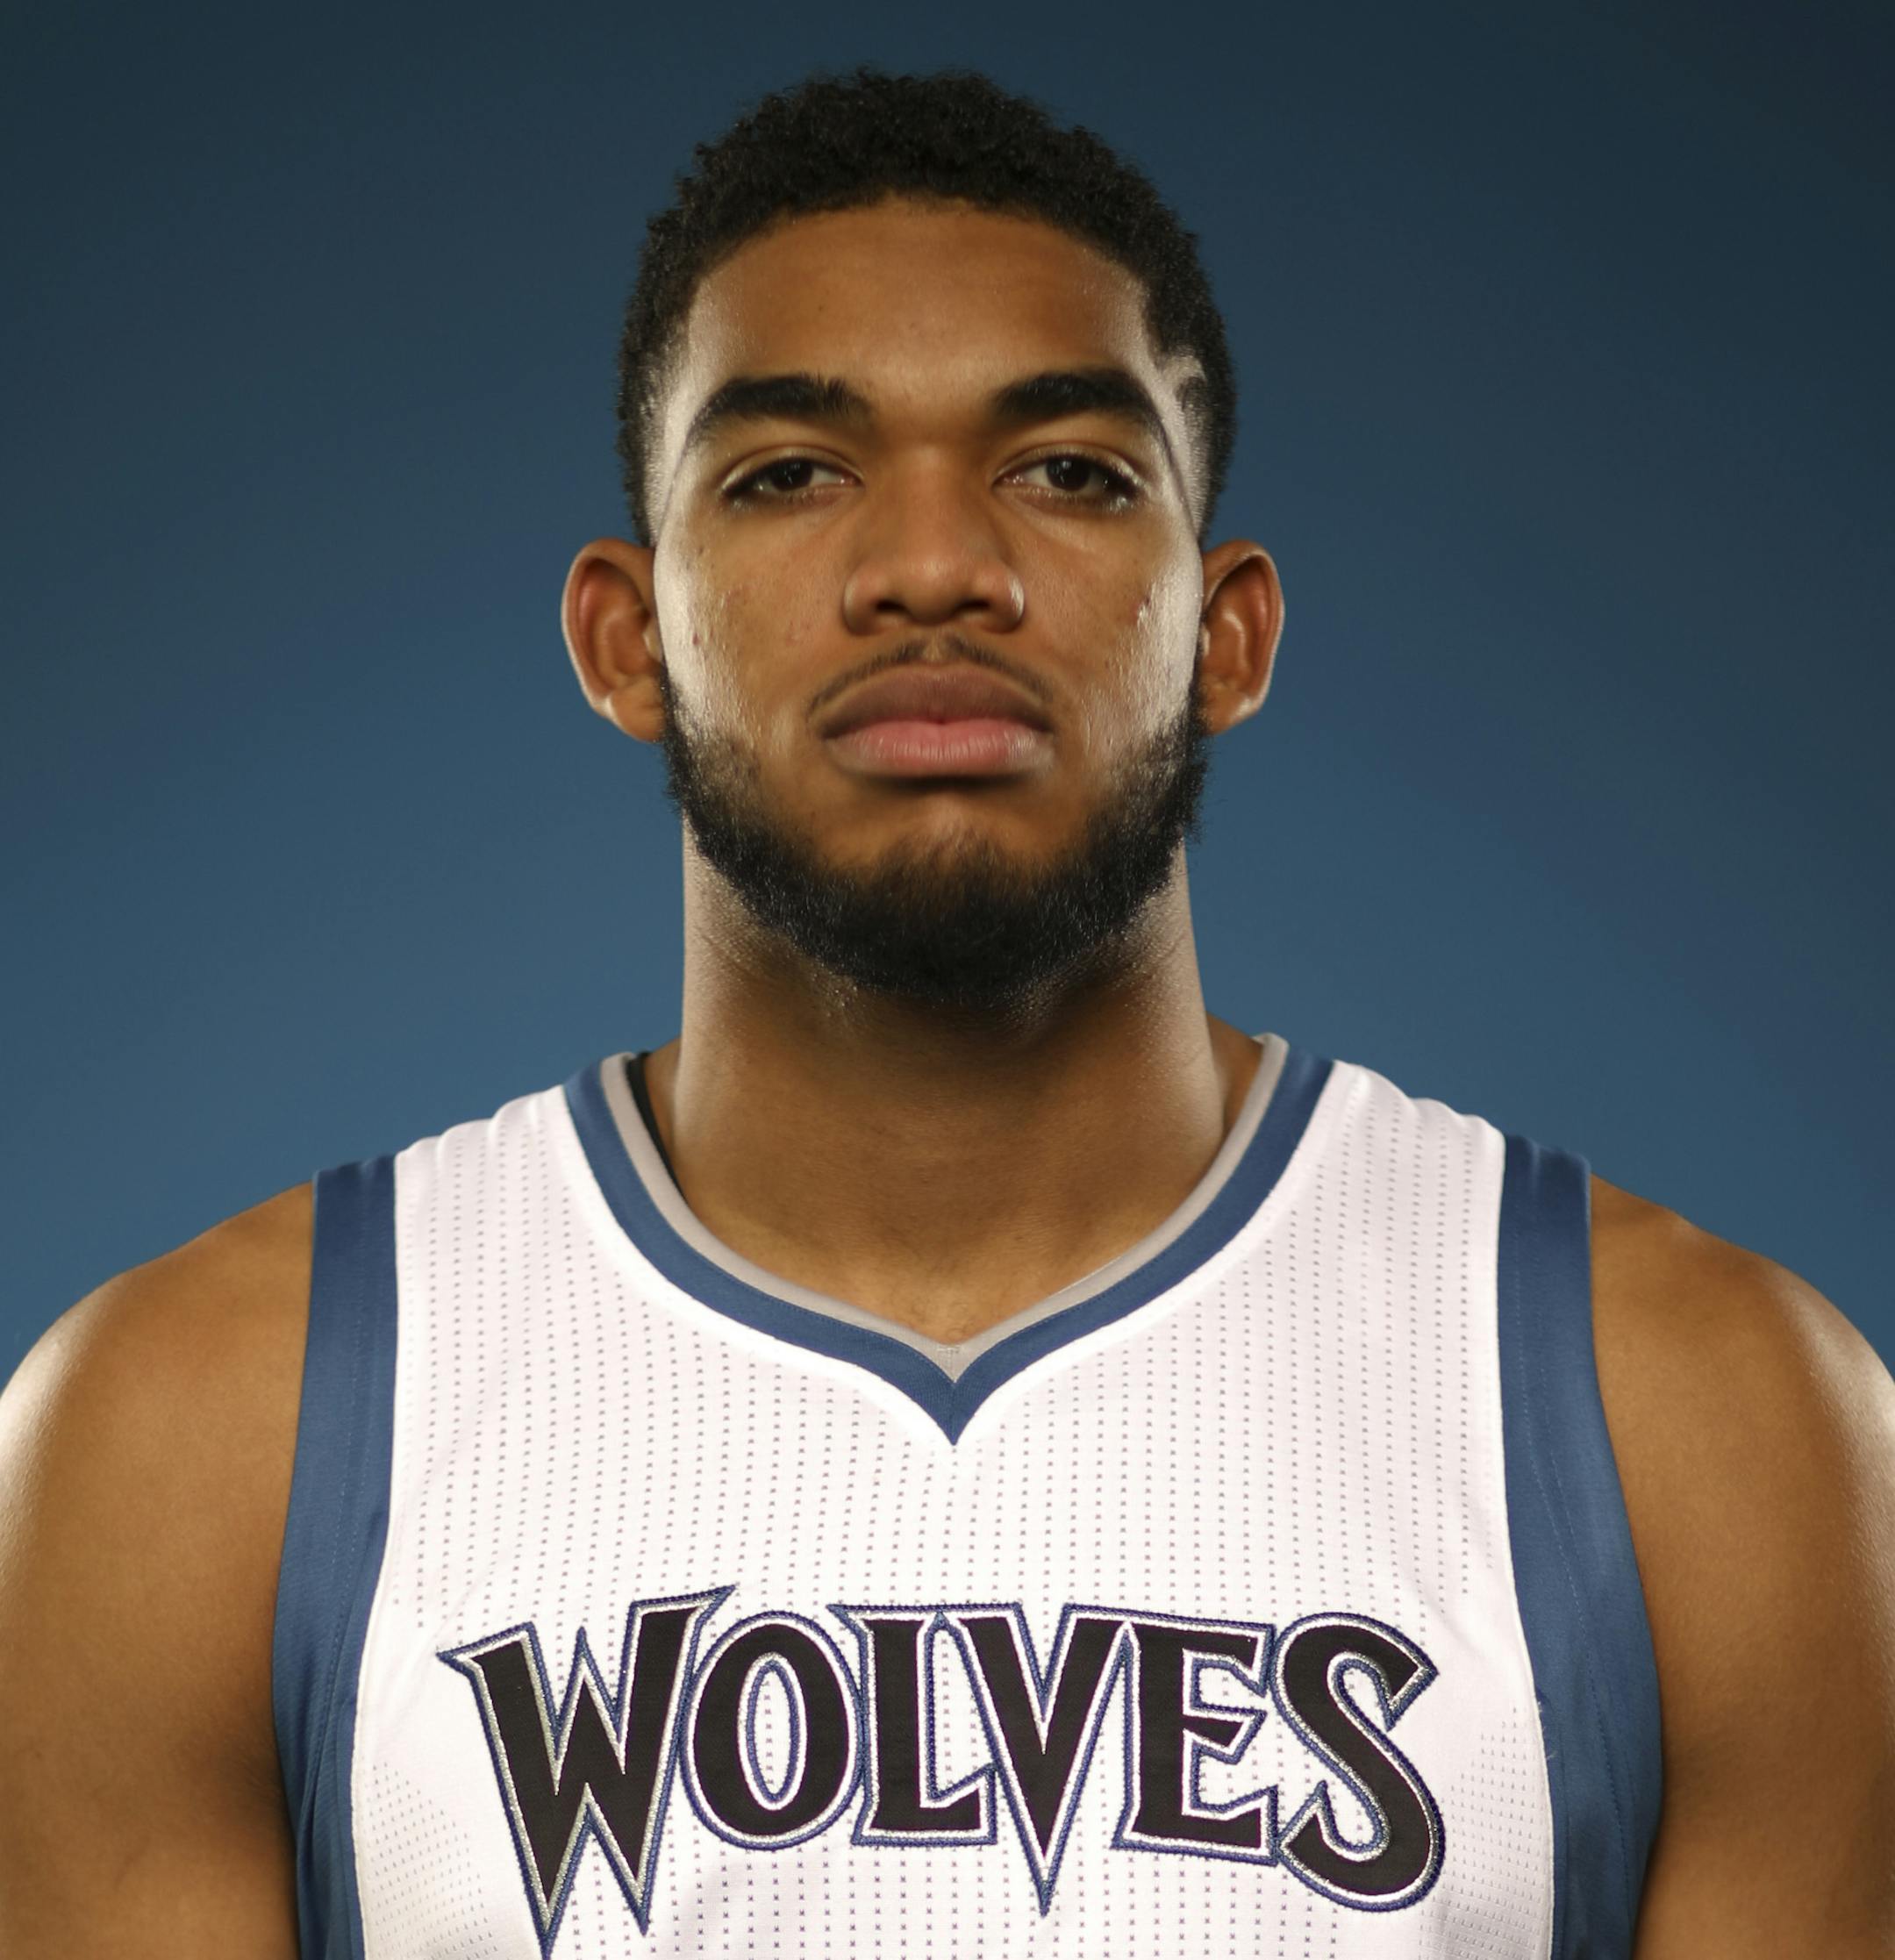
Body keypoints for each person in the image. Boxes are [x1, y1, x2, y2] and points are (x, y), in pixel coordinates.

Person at [1, 65, 1890, 1960]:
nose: (932, 570)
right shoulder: (199, 1436)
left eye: (1065, 470)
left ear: (1224, 630)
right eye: (789, 474)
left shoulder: (1696, 1419)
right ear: (623, 635)